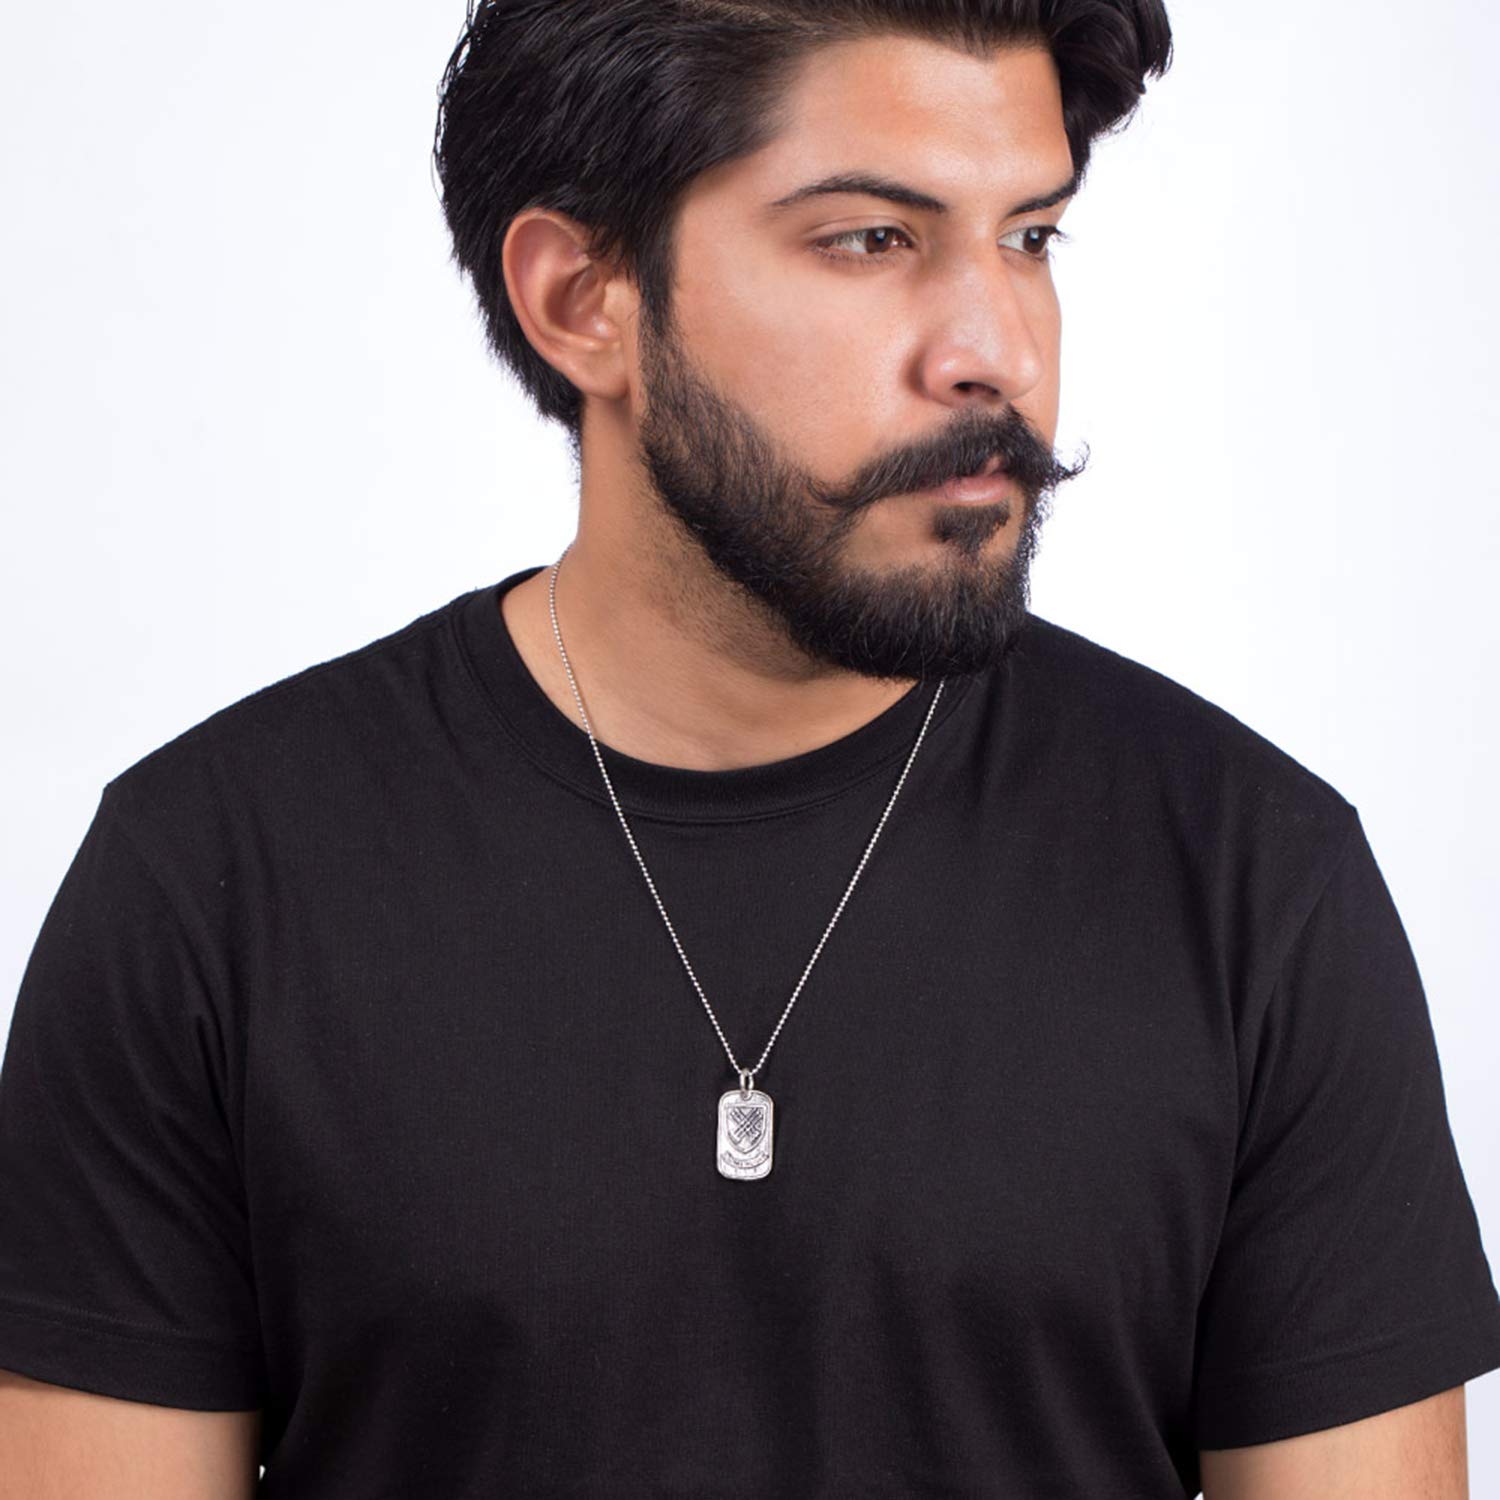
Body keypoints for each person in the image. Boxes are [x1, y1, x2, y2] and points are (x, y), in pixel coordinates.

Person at [1, 0, 1497, 1494]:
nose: (997, 351)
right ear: (583, 300)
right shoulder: (214, 884)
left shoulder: (1251, 883)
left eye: (1031, 236)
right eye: (872, 239)